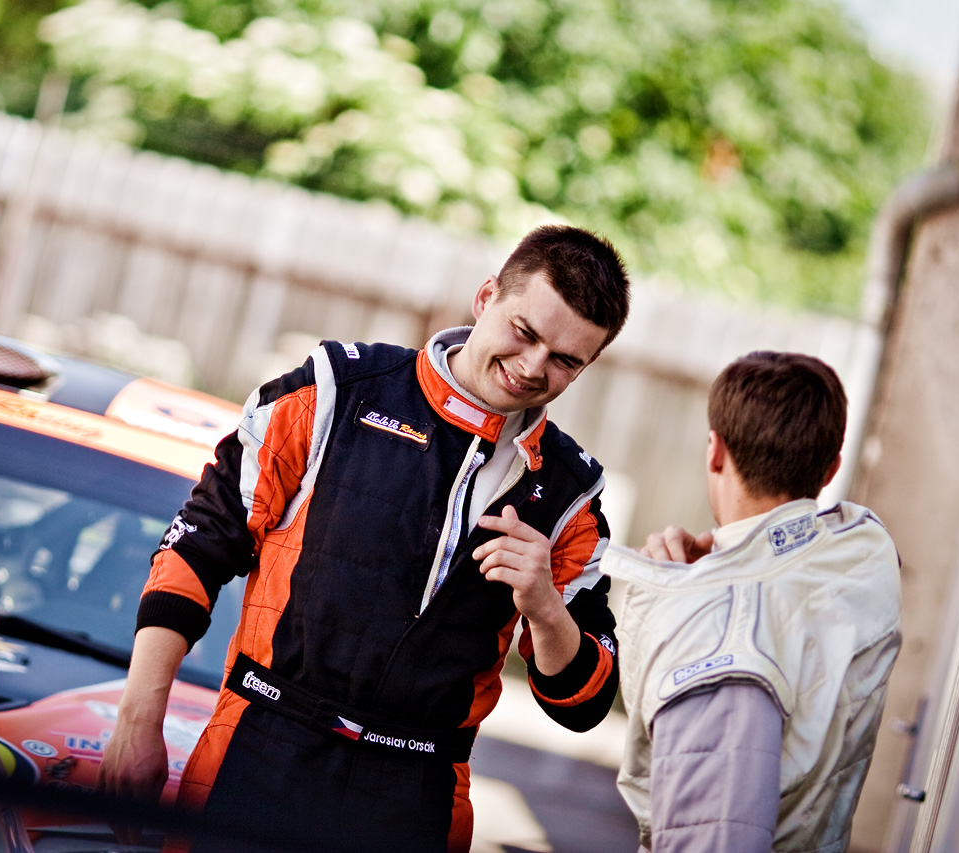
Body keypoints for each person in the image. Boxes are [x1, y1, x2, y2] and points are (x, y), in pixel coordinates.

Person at [97, 224, 630, 852]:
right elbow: (197, 547)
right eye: (525, 332)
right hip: (259, 752)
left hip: (416, 796)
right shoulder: (333, 391)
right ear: (487, 297)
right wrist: (138, 719)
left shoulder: (570, 493)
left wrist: (543, 607)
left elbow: (585, 704)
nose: (533, 367)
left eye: (567, 360)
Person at [602, 351, 902, 853]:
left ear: (715, 451)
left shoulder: (722, 635)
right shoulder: (861, 559)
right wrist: (723, 565)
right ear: (831, 469)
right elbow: (806, 552)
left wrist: (696, 594)